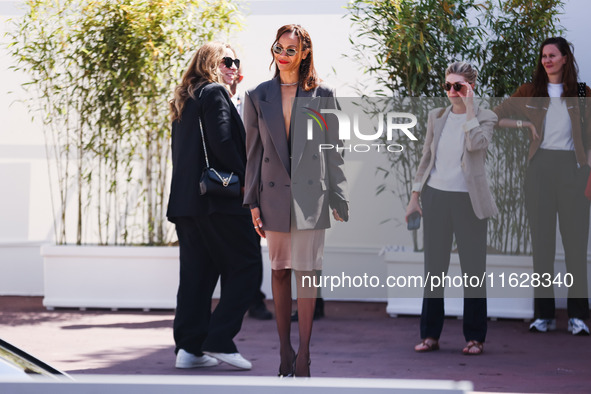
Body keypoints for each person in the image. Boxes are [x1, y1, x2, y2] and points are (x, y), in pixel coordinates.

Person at [243, 24, 348, 377]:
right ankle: (284, 351)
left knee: (307, 272)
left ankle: (303, 355)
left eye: (292, 49)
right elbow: (253, 155)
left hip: (311, 196)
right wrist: (252, 202)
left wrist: (339, 194)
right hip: (271, 197)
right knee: (279, 270)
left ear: (304, 54)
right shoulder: (257, 96)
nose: (284, 54)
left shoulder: (323, 95)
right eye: (279, 47)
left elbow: (335, 151)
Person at [167, 42, 262, 370]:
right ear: (209, 63)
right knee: (248, 266)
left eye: (237, 60)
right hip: (219, 201)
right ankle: (219, 338)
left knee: (197, 275)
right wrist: (249, 182)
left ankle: (189, 348)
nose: (234, 66)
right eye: (228, 60)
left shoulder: (186, 98)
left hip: (187, 203)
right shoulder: (215, 94)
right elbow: (223, 143)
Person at [495, 37, 591, 336]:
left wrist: (587, 162)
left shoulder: (581, 92)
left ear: (565, 58)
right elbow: (493, 116)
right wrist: (525, 125)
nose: (546, 60)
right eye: (543, 56)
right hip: (540, 170)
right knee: (542, 245)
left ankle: (578, 316)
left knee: (576, 247)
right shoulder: (531, 92)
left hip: (573, 171)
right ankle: (544, 316)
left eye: (552, 55)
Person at [406, 61, 498, 355]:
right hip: (436, 197)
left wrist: (469, 110)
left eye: (458, 86)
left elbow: (476, 146)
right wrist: (414, 196)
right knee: (434, 270)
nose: (452, 91)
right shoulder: (437, 116)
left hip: (468, 201)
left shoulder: (486, 117)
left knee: (473, 271)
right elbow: (425, 158)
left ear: (470, 87)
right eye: (448, 86)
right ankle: (430, 335)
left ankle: (475, 337)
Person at [229, 64, 273, 321]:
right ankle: (235, 301)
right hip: (224, 188)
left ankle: (255, 301)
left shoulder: (251, 103)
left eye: (234, 68)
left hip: (251, 187)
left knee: (251, 246)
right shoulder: (214, 103)